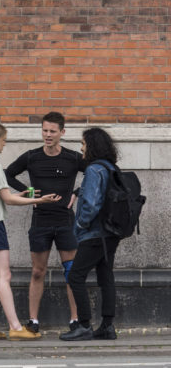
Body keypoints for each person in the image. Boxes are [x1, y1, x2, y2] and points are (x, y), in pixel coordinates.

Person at [0, 122, 61, 340]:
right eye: (3, 140)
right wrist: (40, 200)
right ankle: (16, 327)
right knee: (4, 275)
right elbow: (7, 199)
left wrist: (25, 194)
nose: (4, 144)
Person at [4, 111, 86, 335]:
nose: (48, 135)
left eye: (52, 131)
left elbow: (95, 172)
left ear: (62, 132)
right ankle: (33, 321)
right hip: (40, 222)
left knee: (71, 272)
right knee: (38, 271)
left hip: (65, 221)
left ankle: (75, 320)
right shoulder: (32, 157)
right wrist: (27, 192)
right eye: (45, 130)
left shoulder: (72, 158)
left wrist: (78, 192)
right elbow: (7, 174)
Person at [59, 126, 121, 342]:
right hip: (110, 233)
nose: (81, 148)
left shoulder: (94, 170)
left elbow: (92, 204)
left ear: (92, 146)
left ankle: (84, 325)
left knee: (75, 276)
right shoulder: (110, 167)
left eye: (84, 144)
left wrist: (81, 225)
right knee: (105, 277)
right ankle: (107, 326)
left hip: (94, 234)